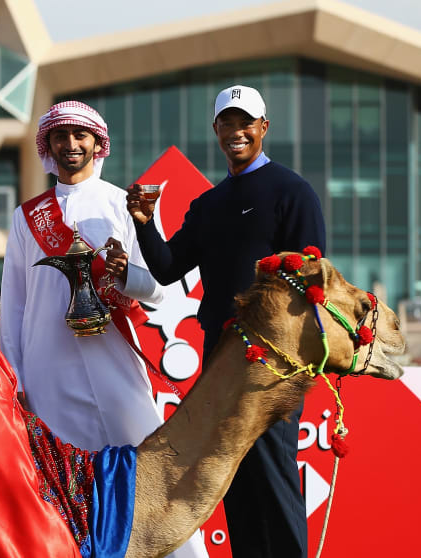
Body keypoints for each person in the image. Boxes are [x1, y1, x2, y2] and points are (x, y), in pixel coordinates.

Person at [127, 84, 326, 558]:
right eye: (227, 123)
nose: (236, 132)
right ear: (216, 130)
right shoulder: (208, 204)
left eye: (245, 123)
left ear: (263, 128)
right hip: (220, 359)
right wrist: (142, 221)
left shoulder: (292, 191)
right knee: (231, 475)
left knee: (273, 471)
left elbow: (312, 276)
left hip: (269, 365)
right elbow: (168, 266)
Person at [0, 101, 207, 558]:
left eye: (80, 136)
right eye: (60, 137)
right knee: (56, 482)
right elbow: (13, 306)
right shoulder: (26, 216)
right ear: (48, 146)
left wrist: (123, 275)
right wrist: (13, 377)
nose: (71, 145)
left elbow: (158, 289)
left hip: (113, 362)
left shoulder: (122, 204)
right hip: (46, 368)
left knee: (151, 473)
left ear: (97, 143)